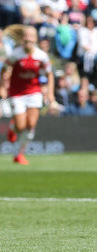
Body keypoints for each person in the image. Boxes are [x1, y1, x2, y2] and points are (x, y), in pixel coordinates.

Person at [0, 25, 54, 164]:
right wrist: (2, 86)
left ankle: (19, 155)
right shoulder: (15, 54)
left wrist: (50, 93)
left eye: (31, 36)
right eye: (26, 36)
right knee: (21, 125)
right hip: (17, 93)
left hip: (34, 92)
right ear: (23, 38)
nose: (29, 39)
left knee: (31, 125)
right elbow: (4, 69)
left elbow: (49, 74)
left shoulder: (41, 56)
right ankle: (13, 127)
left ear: (35, 39)